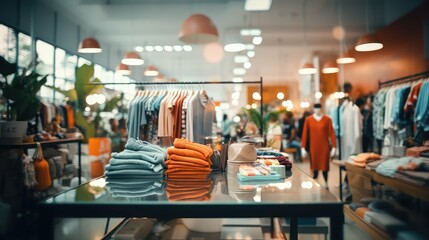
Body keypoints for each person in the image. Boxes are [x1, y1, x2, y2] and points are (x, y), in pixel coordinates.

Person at [301, 103, 336, 188]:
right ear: (314, 109)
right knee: (314, 167)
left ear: (321, 108)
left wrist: (334, 147)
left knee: (325, 167)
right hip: (314, 147)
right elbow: (305, 134)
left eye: (319, 108)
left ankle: (326, 184)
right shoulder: (308, 119)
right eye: (316, 108)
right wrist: (303, 147)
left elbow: (332, 133)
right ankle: (315, 184)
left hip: (324, 147)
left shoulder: (327, 119)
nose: (317, 110)